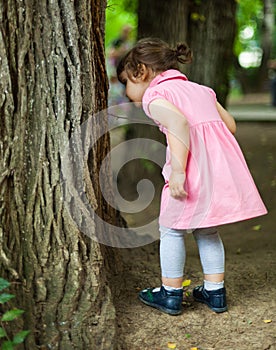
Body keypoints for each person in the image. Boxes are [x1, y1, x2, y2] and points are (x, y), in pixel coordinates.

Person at [117, 38, 268, 316]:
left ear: (141, 71)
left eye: (127, 81)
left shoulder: (154, 96)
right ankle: (215, 291)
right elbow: (230, 126)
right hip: (216, 171)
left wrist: (178, 171)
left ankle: (171, 294)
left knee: (171, 228)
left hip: (188, 170)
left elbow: (178, 123)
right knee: (207, 229)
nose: (127, 91)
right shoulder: (201, 90)